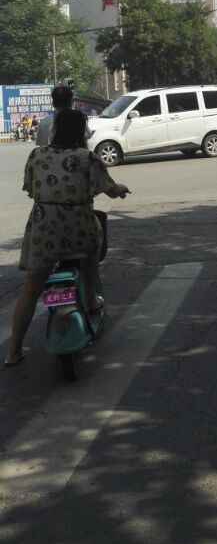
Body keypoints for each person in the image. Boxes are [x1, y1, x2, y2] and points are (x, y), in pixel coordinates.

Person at [5, 108, 130, 366]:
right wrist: (120, 190)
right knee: (92, 250)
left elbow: (30, 189)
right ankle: (91, 300)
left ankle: (13, 351)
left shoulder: (37, 155)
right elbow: (109, 188)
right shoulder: (88, 158)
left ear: (55, 131)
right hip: (79, 228)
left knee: (30, 289)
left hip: (43, 231)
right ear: (81, 133)